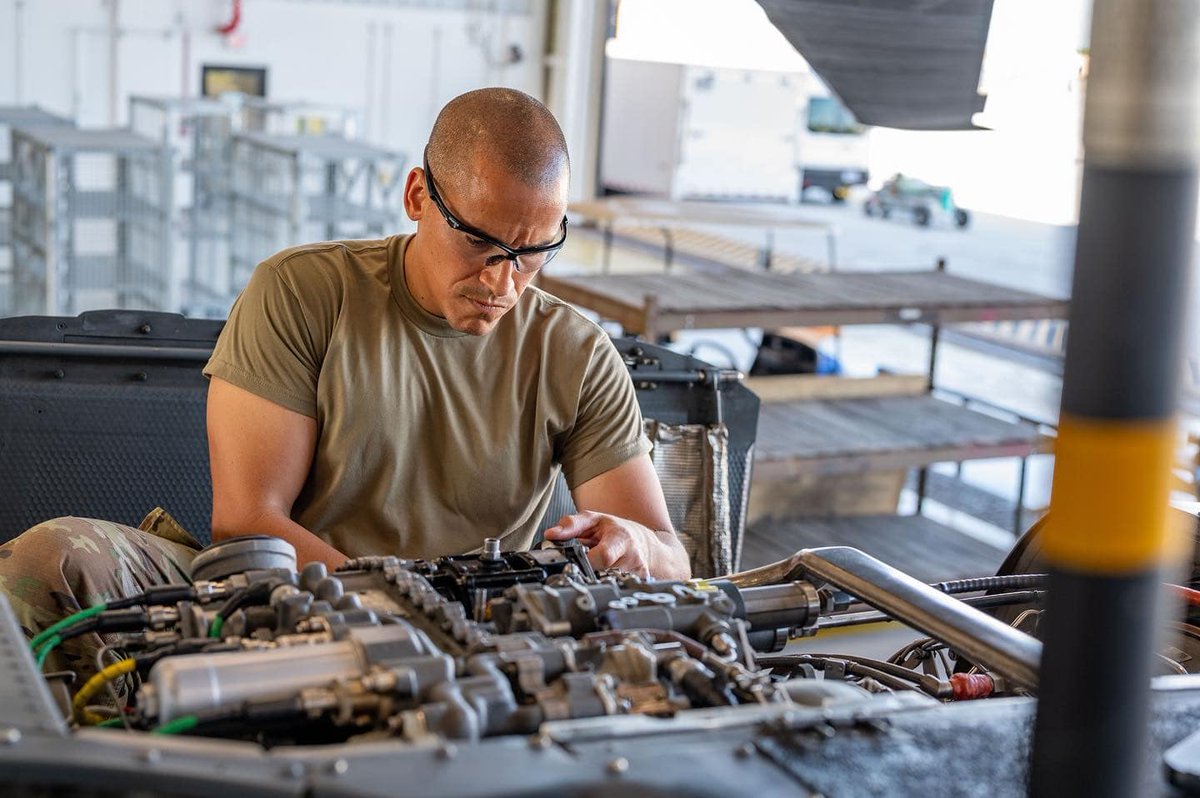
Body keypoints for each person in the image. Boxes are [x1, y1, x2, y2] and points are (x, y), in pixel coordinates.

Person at [0, 87, 689, 685]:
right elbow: (247, 520)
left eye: (535, 251)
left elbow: (672, 557)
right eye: (481, 243)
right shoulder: (303, 292)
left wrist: (636, 546)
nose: (503, 282)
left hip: (479, 632)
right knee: (51, 559)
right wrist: (399, 609)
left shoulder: (576, 353)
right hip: (285, 596)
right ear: (419, 196)